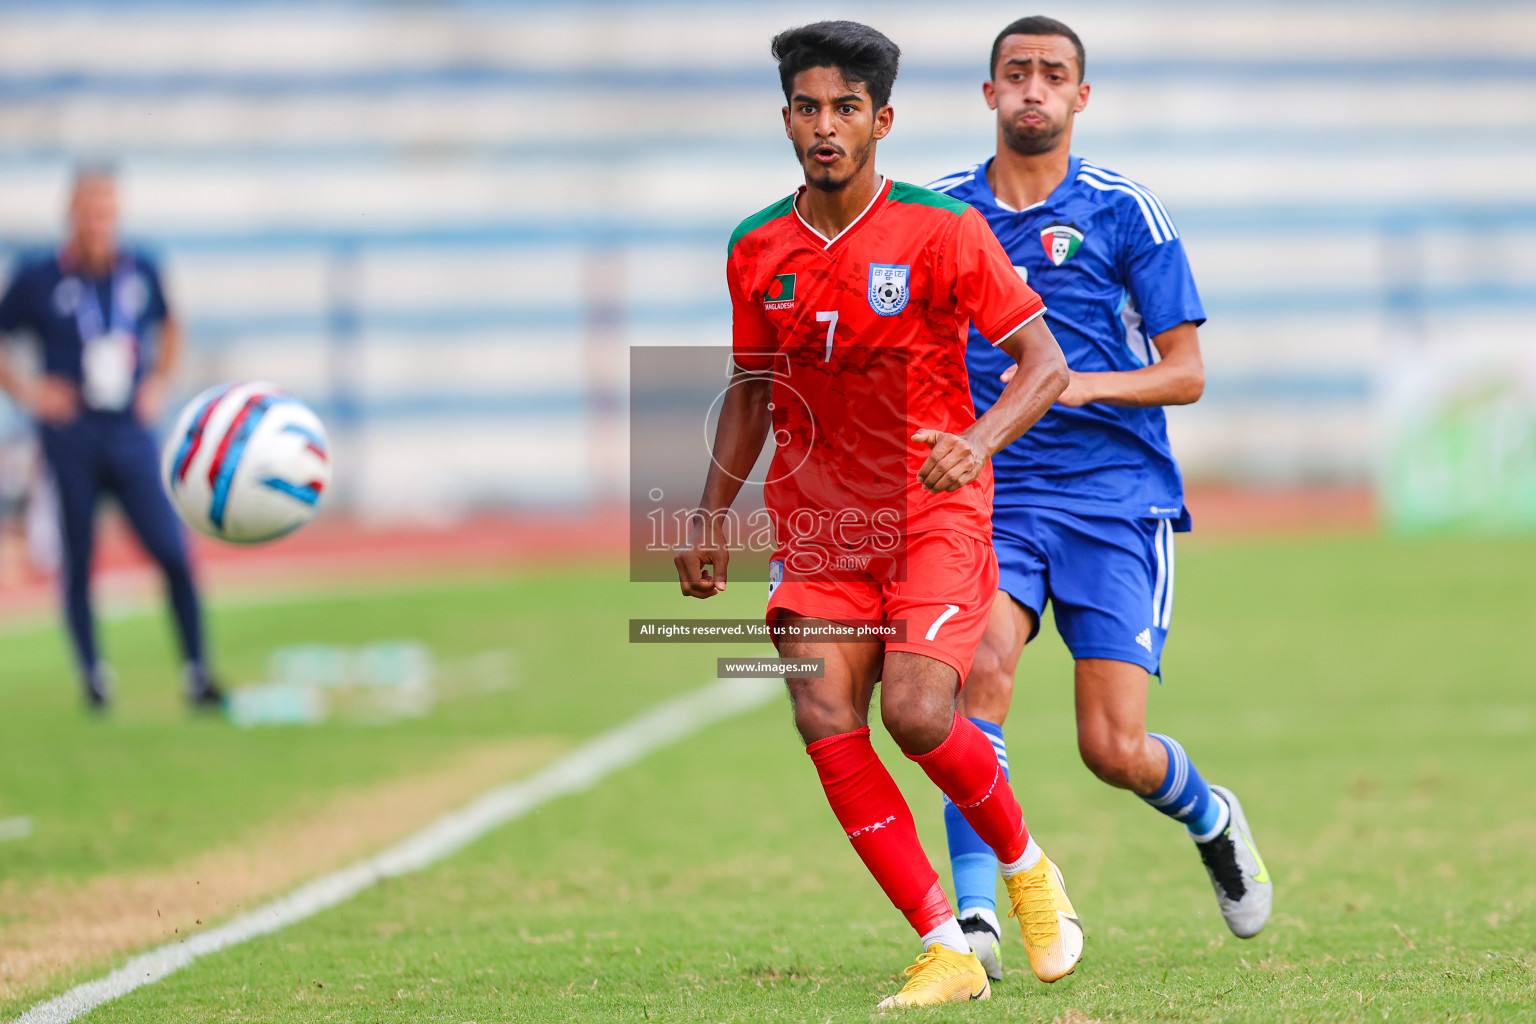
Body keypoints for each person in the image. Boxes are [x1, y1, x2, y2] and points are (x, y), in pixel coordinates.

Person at [675, 21, 1080, 1008]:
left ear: (881, 120)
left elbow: (1044, 365)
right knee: (822, 712)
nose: (826, 126)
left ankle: (1028, 870)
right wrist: (706, 514)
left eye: (846, 109)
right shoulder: (754, 247)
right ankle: (944, 945)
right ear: (785, 119)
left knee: (914, 711)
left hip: (931, 517)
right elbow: (751, 386)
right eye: (808, 108)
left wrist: (976, 443)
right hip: (816, 529)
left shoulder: (942, 230)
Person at [925, 16, 1272, 979]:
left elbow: (1188, 372)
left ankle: (1212, 816)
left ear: (1082, 98)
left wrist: (1073, 384)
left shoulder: (1127, 212)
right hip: (996, 490)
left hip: (1116, 497)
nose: (1033, 89)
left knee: (1112, 748)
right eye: (1016, 74)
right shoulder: (944, 214)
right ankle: (982, 916)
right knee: (976, 671)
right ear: (989, 94)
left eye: (1054, 75)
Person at [0, 165, 222, 710]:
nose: (99, 223)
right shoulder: (39, 276)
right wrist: (29, 393)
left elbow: (172, 323)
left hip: (128, 431)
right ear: (72, 215)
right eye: (90, 212)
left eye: (107, 213)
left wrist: (159, 382)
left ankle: (197, 672)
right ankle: (93, 677)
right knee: (79, 558)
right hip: (71, 434)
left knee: (171, 550)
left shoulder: (139, 269)